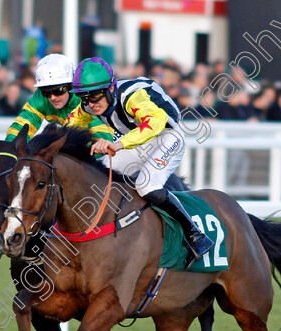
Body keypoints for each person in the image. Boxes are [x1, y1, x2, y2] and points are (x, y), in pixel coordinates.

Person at [66, 57, 213, 269]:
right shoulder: (88, 106)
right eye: (84, 97)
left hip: (168, 136)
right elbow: (70, 127)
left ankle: (195, 235)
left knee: (146, 184)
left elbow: (155, 121)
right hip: (139, 141)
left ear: (110, 88)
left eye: (96, 95)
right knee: (99, 172)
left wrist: (119, 144)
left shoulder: (132, 96)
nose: (91, 103)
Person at [5, 53, 115, 142]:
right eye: (46, 92)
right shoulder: (40, 97)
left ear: (71, 85)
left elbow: (102, 136)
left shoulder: (86, 97)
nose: (52, 97)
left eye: (58, 91)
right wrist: (11, 148)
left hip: (117, 141)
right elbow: (22, 125)